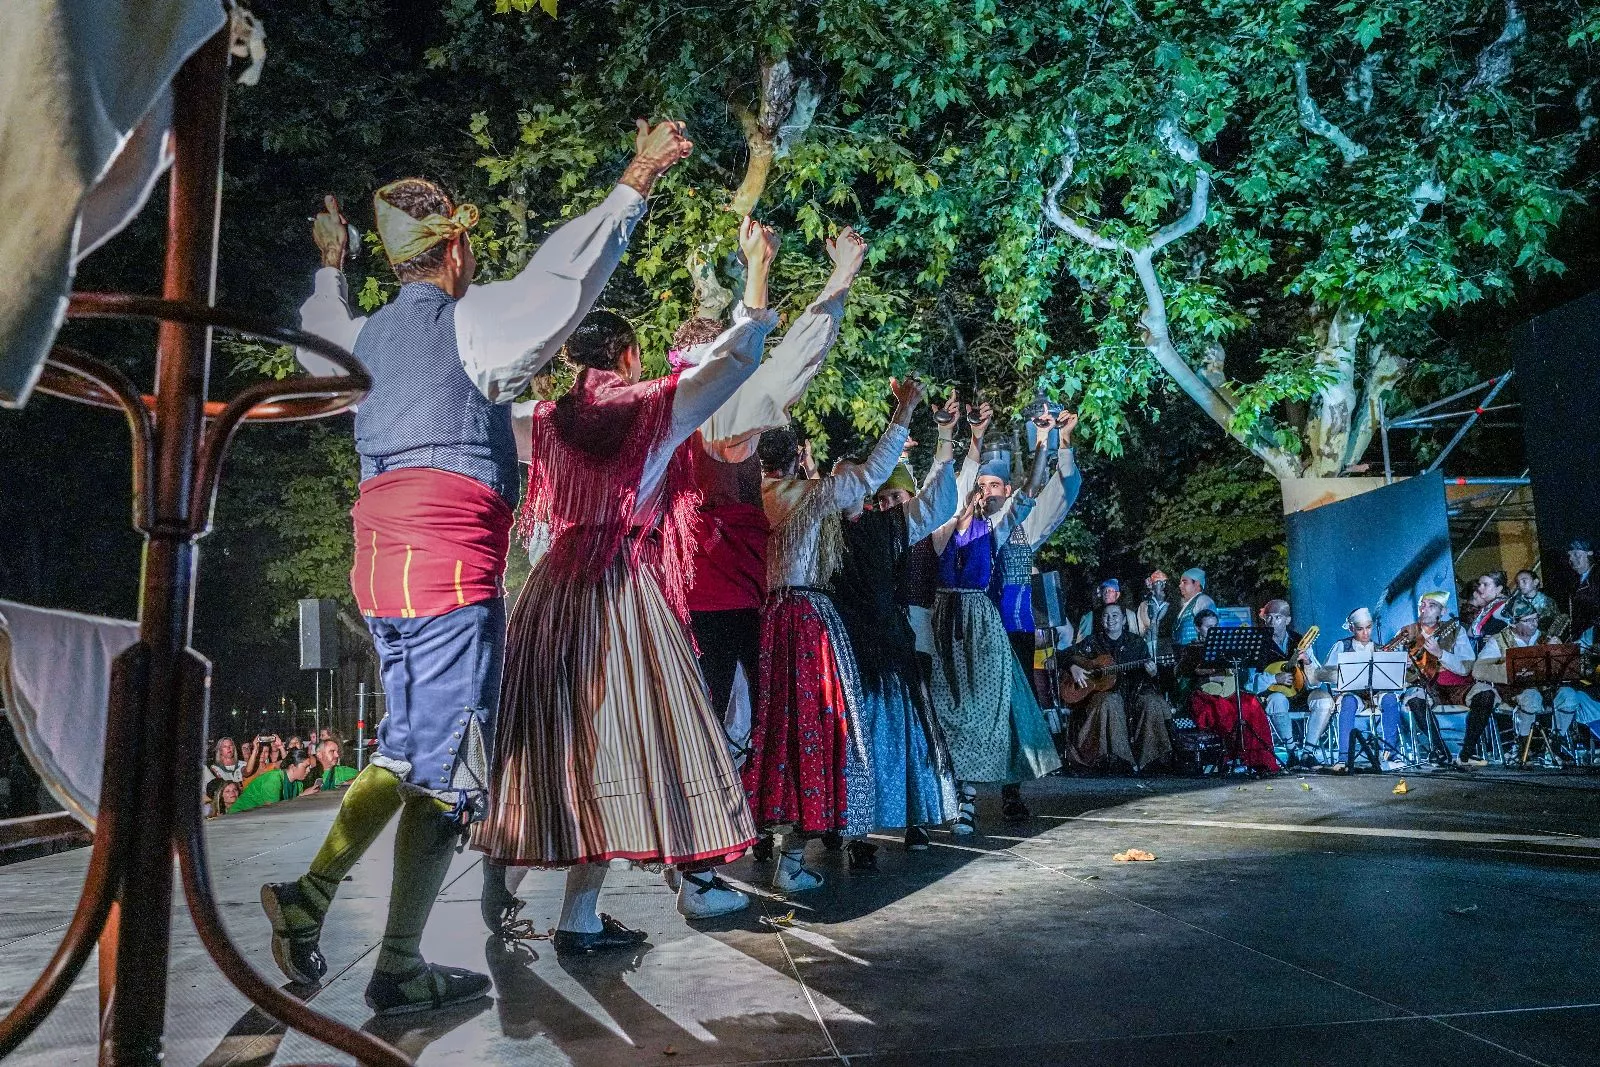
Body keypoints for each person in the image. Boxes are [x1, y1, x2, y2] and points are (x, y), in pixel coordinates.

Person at [261, 119, 694, 1014]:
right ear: (455, 244)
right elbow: (562, 284)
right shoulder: (470, 322)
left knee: (409, 745)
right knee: (450, 764)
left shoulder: (362, 335)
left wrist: (331, 266)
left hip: (379, 556)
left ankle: (339, 919)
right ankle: (386, 953)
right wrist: (636, 178)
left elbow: (317, 333)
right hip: (447, 555)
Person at [476, 216, 780, 951]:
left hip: (553, 589)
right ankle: (578, 915)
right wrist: (757, 276)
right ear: (629, 352)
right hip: (619, 586)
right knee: (619, 742)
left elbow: (479, 403)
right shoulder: (654, 407)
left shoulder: (541, 418)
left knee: (549, 737)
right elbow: (734, 365)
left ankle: (504, 878)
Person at [684, 228, 871, 750]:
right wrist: (837, 275)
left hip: (673, 598)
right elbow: (788, 362)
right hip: (719, 601)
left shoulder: (660, 410)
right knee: (728, 729)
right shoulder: (711, 411)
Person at [744, 379, 924, 889]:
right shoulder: (811, 494)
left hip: (765, 619)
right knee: (818, 728)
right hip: (806, 621)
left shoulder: (752, 496)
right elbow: (872, 474)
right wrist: (904, 410)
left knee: (768, 729)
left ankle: (751, 842)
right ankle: (793, 860)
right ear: (800, 455)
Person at [831, 412, 959, 856]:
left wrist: (944, 440)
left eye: (852, 480)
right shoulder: (818, 529)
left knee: (902, 731)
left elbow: (936, 505)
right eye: (838, 480)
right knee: (854, 738)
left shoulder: (884, 526)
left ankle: (914, 817)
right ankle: (854, 831)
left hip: (886, 641)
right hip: (842, 646)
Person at [929, 433, 1062, 833]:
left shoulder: (996, 529)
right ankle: (949, 792)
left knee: (983, 709)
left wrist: (1043, 445)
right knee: (946, 708)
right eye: (978, 489)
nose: (983, 495)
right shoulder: (942, 530)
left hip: (982, 625)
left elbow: (1031, 491)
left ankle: (972, 798)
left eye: (990, 490)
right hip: (944, 621)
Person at [956, 404, 1083, 674]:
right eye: (982, 486)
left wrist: (1063, 441)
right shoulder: (967, 525)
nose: (987, 492)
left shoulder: (1024, 522)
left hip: (1015, 624)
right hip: (974, 628)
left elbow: (1065, 488)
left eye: (994, 485)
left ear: (1007, 488)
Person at [1063, 602, 1174, 772]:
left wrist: (1152, 673)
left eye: (1115, 615)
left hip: (1133, 693)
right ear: (1101, 620)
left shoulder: (1136, 643)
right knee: (1111, 701)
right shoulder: (1092, 642)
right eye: (1106, 616)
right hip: (1104, 695)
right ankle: (1119, 759)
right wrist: (1074, 667)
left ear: (1123, 620)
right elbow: (1064, 655)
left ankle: (1152, 759)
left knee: (1152, 702)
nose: (1111, 619)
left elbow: (1151, 677)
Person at [1458, 602, 1567, 767]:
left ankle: (1554, 746)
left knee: (1570, 697)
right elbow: (1479, 669)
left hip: (1547, 689)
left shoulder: (1545, 638)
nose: (1534, 624)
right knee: (1531, 698)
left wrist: (1558, 651)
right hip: (1516, 690)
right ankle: (1523, 747)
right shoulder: (1500, 640)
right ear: (1514, 623)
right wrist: (1512, 670)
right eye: (1528, 621)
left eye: (1535, 619)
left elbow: (1565, 668)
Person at [1184, 611, 1279, 774]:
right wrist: (1204, 672)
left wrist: (1237, 666)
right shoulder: (1192, 649)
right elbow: (1183, 675)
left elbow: (1241, 678)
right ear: (1198, 628)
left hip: (1229, 692)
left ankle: (1260, 760)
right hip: (1205, 696)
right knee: (1225, 710)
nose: (1214, 630)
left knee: (1253, 705)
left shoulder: (1227, 649)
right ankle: (1232, 757)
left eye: (1216, 626)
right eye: (1209, 627)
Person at [1318, 607, 1404, 772]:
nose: (1365, 633)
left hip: (1375, 694)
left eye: (1368, 627)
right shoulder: (1342, 646)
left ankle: (1392, 754)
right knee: (1348, 702)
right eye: (1360, 629)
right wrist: (1340, 673)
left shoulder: (1379, 648)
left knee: (1391, 699)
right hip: (1352, 694)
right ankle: (1344, 758)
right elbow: (1323, 673)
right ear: (1351, 628)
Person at [1251, 599, 1331, 768]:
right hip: (1273, 694)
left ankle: (1308, 752)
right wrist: (1274, 679)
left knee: (1324, 700)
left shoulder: (1300, 641)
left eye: (1277, 617)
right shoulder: (1258, 643)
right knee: (1277, 700)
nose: (1271, 622)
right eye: (1268, 617)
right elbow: (1251, 682)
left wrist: (1308, 662)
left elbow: (1315, 682)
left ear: (1287, 620)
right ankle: (1291, 751)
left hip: (1300, 692)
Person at [229, 751, 322, 814]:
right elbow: (273, 812)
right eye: (305, 767)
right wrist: (301, 796)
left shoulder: (298, 784)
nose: (308, 770)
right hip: (238, 815)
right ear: (293, 767)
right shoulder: (274, 779)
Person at [1171, 569, 1216, 650]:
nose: (1180, 586)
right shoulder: (1189, 603)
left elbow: (1210, 629)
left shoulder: (1203, 600)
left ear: (1197, 584)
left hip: (1196, 654)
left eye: (1184, 582)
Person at [1569, 539, 1598, 641]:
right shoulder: (1575, 581)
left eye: (1576, 554)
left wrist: (1587, 639)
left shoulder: (1597, 579)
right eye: (1570, 555)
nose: (1571, 559)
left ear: (1589, 554)